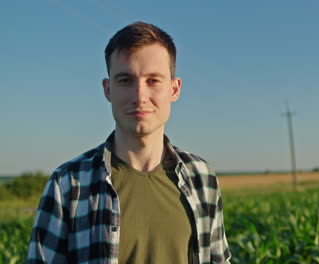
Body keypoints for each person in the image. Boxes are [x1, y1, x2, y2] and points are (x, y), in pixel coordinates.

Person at [27, 22, 231, 264]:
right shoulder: (69, 184)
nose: (139, 96)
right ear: (108, 89)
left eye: (153, 80)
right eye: (125, 80)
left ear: (174, 89)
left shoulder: (202, 177)